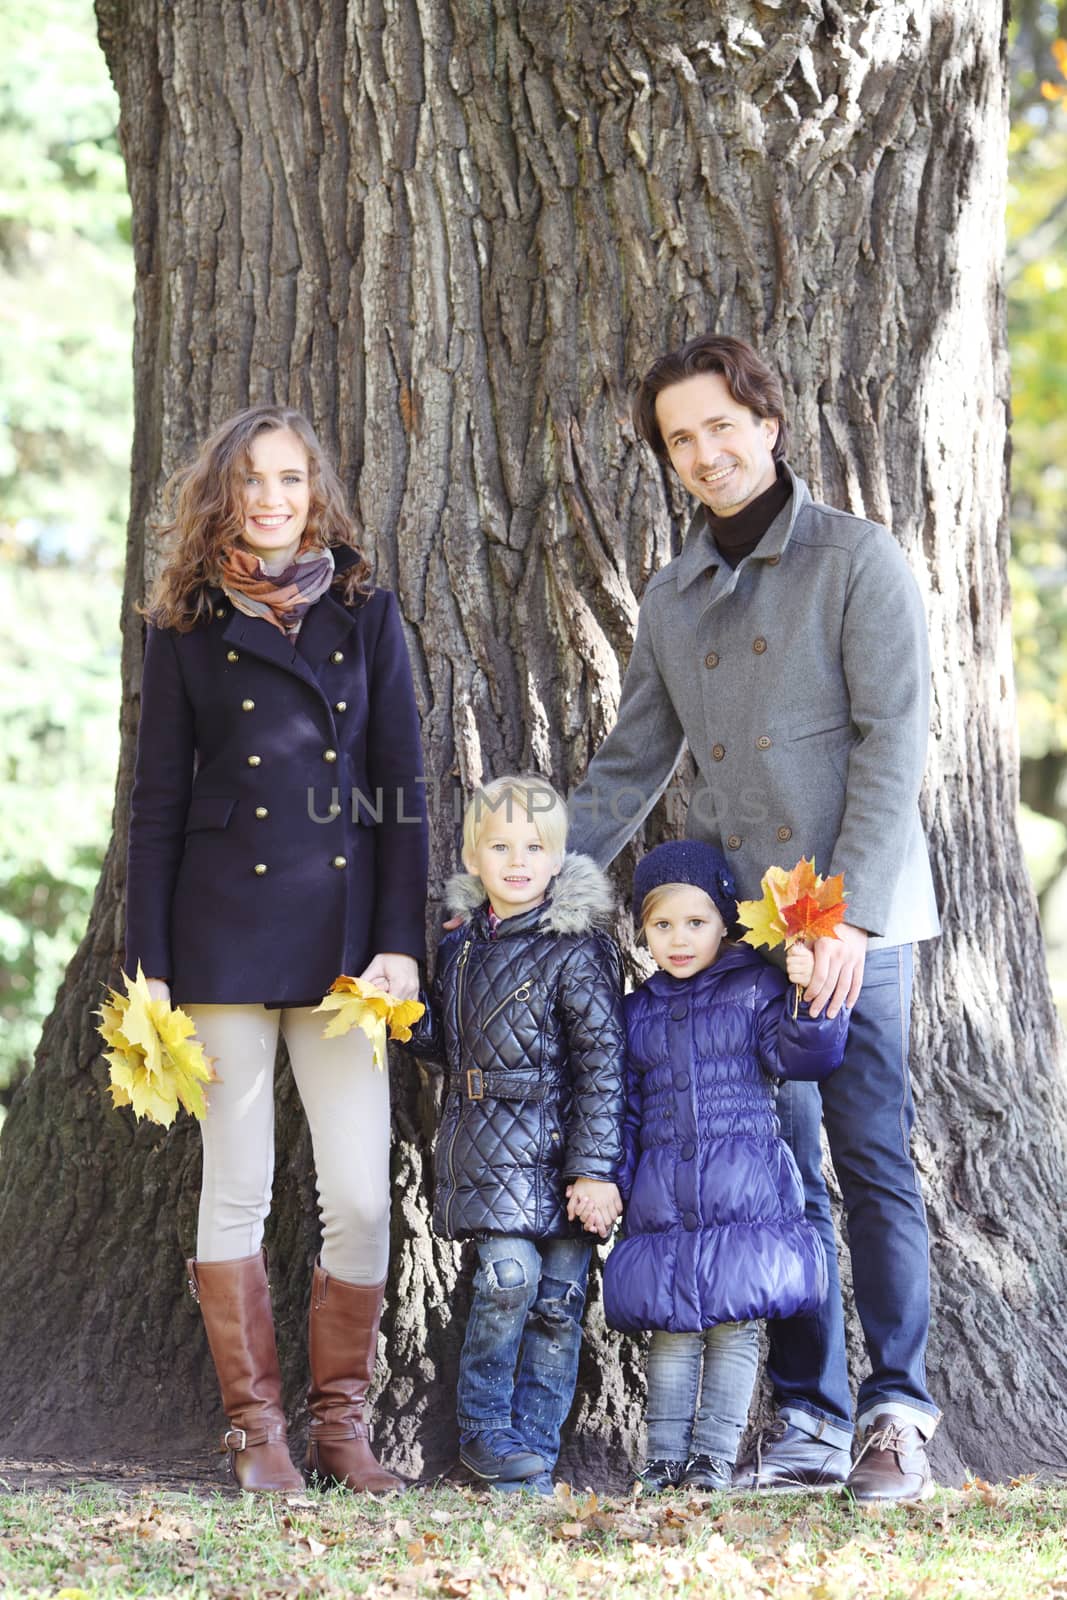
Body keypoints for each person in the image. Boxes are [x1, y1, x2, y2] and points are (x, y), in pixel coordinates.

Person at [568, 334, 941, 1502]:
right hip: (738, 950)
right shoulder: (674, 596)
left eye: (721, 425)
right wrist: (527, 884)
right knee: (777, 1180)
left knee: (872, 1160)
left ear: (766, 422)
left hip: (856, 927)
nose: (705, 452)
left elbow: (894, 746)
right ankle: (812, 1420)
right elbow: (630, 762)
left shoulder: (854, 558)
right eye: (680, 439)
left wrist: (851, 918)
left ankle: (897, 1413)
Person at [125, 405, 428, 1493]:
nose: (269, 498)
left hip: (349, 954)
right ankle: (258, 1432)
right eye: (250, 480)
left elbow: (405, 798)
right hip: (219, 941)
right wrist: (147, 963)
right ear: (224, 493)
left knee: (356, 1192)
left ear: (316, 494)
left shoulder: (367, 614)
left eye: (290, 479)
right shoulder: (186, 628)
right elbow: (156, 802)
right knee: (237, 1183)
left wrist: (400, 943)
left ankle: (341, 1428)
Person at [402, 775, 625, 1495]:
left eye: (534, 847)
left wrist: (593, 1170)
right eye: (500, 846)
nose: (518, 860)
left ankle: (530, 1457)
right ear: (473, 857)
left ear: (558, 859)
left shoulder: (578, 949)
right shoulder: (460, 948)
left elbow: (601, 1065)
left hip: (562, 1153)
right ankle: (484, 1431)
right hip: (492, 1153)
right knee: (507, 1281)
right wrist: (407, 1019)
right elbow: (452, 1046)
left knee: (558, 1306)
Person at [603, 841, 848, 1493]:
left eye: (695, 922)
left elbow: (801, 1059)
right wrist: (615, 1182)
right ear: (642, 932)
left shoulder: (754, 988)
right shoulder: (636, 1013)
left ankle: (712, 1456)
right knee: (673, 1334)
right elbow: (623, 1112)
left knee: (734, 1328)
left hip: (745, 1196)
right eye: (661, 925)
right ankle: (662, 1458)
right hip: (664, 1204)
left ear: (723, 925)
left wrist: (805, 996)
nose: (678, 940)